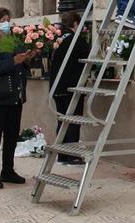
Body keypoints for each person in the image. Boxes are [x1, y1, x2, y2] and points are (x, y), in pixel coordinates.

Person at [0, 7, 38, 189]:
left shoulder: (9, 40)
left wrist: (27, 58)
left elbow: (17, 63)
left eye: (8, 19)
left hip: (13, 96)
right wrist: (14, 61)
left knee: (11, 135)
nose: (7, 23)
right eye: (3, 20)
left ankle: (7, 171)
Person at [49, 11, 90, 165]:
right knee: (73, 120)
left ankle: (62, 154)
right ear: (75, 24)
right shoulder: (75, 40)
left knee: (62, 120)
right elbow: (89, 55)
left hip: (57, 87)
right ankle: (72, 154)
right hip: (71, 87)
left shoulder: (58, 39)